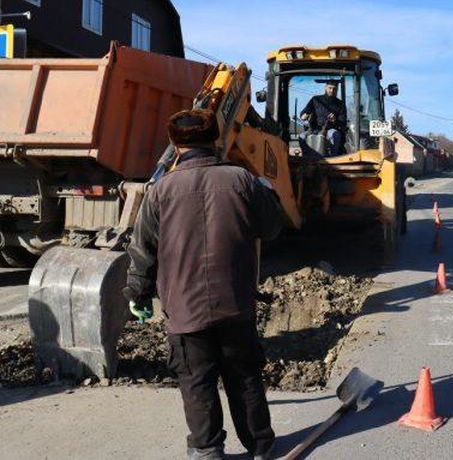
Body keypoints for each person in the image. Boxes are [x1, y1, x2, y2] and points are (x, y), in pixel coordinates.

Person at [124, 108, 284, 460]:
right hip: (236, 301)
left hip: (184, 308)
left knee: (196, 381)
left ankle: (208, 449)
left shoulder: (160, 190)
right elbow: (271, 228)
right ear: (215, 140)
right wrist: (268, 192)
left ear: (175, 145)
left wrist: (138, 292)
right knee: (244, 376)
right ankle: (261, 445)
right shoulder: (242, 180)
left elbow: (143, 250)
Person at [299, 80, 346, 156]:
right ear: (325, 88)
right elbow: (304, 113)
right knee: (302, 136)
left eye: (334, 89)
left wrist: (334, 120)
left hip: (329, 129)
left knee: (335, 134)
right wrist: (303, 116)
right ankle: (306, 157)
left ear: (337, 90)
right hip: (314, 129)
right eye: (330, 88)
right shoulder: (315, 99)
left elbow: (343, 122)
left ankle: (333, 158)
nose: (332, 90)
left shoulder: (340, 104)